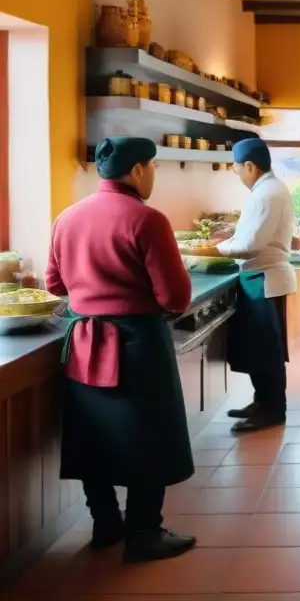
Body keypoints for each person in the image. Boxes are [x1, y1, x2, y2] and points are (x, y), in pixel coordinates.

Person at [46, 137, 196, 562]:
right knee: (148, 435)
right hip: (137, 342)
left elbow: (54, 285)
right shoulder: (147, 220)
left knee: (93, 433)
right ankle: (144, 532)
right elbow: (174, 297)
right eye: (152, 166)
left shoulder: (67, 217)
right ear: (136, 171)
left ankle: (105, 523)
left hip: (83, 341)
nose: (152, 174)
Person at [216, 138, 296, 433]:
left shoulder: (266, 194)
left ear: (249, 166)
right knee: (258, 348)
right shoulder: (267, 190)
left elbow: (250, 245)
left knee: (267, 351)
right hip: (259, 278)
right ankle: (261, 401)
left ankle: (273, 409)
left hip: (264, 279)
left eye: (236, 168)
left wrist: (213, 249)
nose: (236, 173)